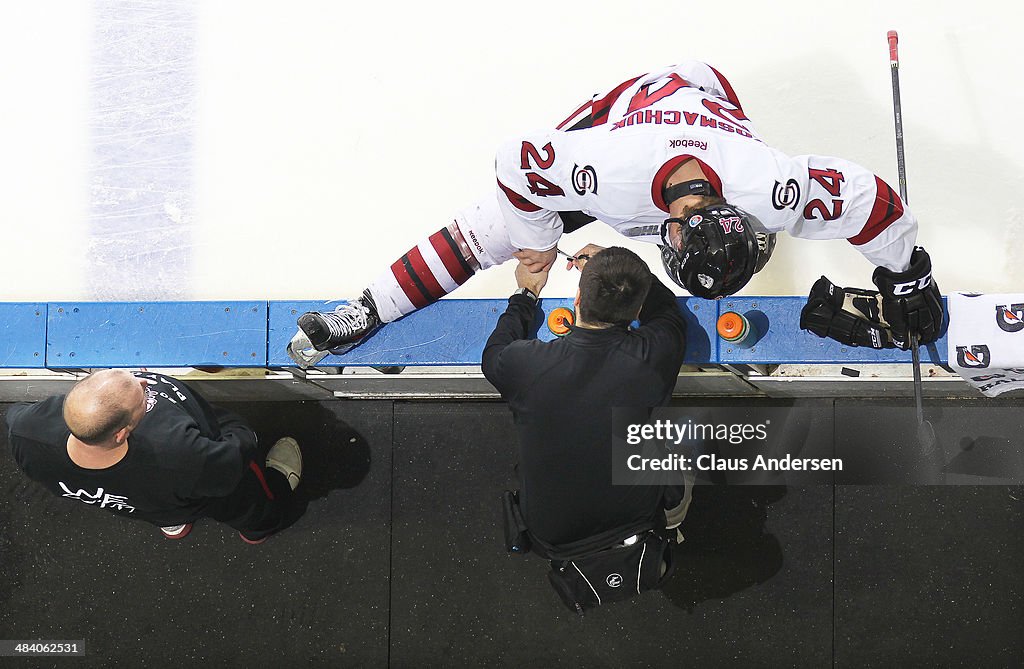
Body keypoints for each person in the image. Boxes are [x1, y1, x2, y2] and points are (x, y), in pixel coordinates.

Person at [287, 59, 943, 366]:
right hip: (626, 112)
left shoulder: (764, 183)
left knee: (514, 223)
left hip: (709, 95)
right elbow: (515, 162)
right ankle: (368, 307)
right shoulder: (603, 168)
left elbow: (866, 198)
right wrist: (536, 240)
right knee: (492, 229)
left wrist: (907, 276)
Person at [482, 245, 689, 547]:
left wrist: (526, 293)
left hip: (551, 533)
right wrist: (621, 273)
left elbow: (494, 351)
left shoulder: (526, 365)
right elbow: (666, 311)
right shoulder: (656, 352)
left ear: (577, 299)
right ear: (636, 312)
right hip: (637, 519)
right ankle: (673, 522)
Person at [5, 369, 304, 544]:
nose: (143, 381)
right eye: (141, 395)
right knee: (243, 501)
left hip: (146, 503)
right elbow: (229, 465)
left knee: (157, 506)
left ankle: (173, 522)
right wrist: (237, 429)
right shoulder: (180, 457)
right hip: (196, 490)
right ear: (121, 433)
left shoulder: (25, 432)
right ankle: (258, 529)